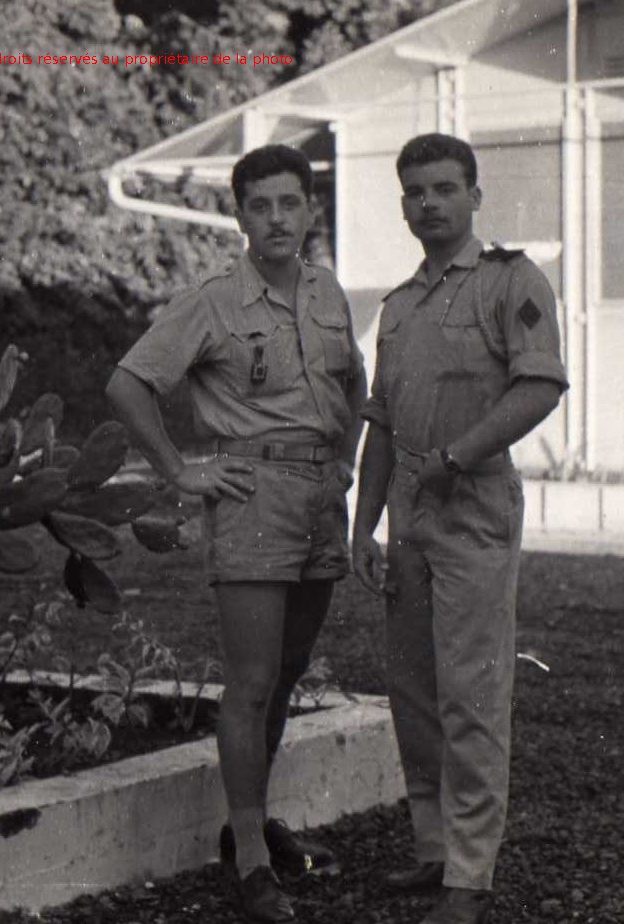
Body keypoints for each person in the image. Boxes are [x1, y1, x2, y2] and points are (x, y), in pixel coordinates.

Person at [106, 144, 366, 923]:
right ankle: (251, 859)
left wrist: (347, 461)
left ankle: (249, 824)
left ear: (311, 210)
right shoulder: (214, 302)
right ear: (240, 215)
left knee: (288, 671)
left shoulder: (327, 291)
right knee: (252, 681)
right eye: (261, 205)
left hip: (319, 497)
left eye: (290, 203)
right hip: (251, 496)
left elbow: (353, 380)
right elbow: (127, 384)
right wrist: (180, 471)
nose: (277, 219)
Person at [350, 133, 568, 924]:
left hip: (472, 498)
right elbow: (380, 424)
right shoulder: (399, 306)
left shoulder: (511, 280)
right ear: (403, 204)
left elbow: (540, 387)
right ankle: (434, 849)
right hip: (410, 504)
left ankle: (470, 877)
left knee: (471, 691)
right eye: (416, 191)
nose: (429, 203)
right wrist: (363, 528)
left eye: (445, 188)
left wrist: (458, 455)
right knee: (413, 690)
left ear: (474, 196)